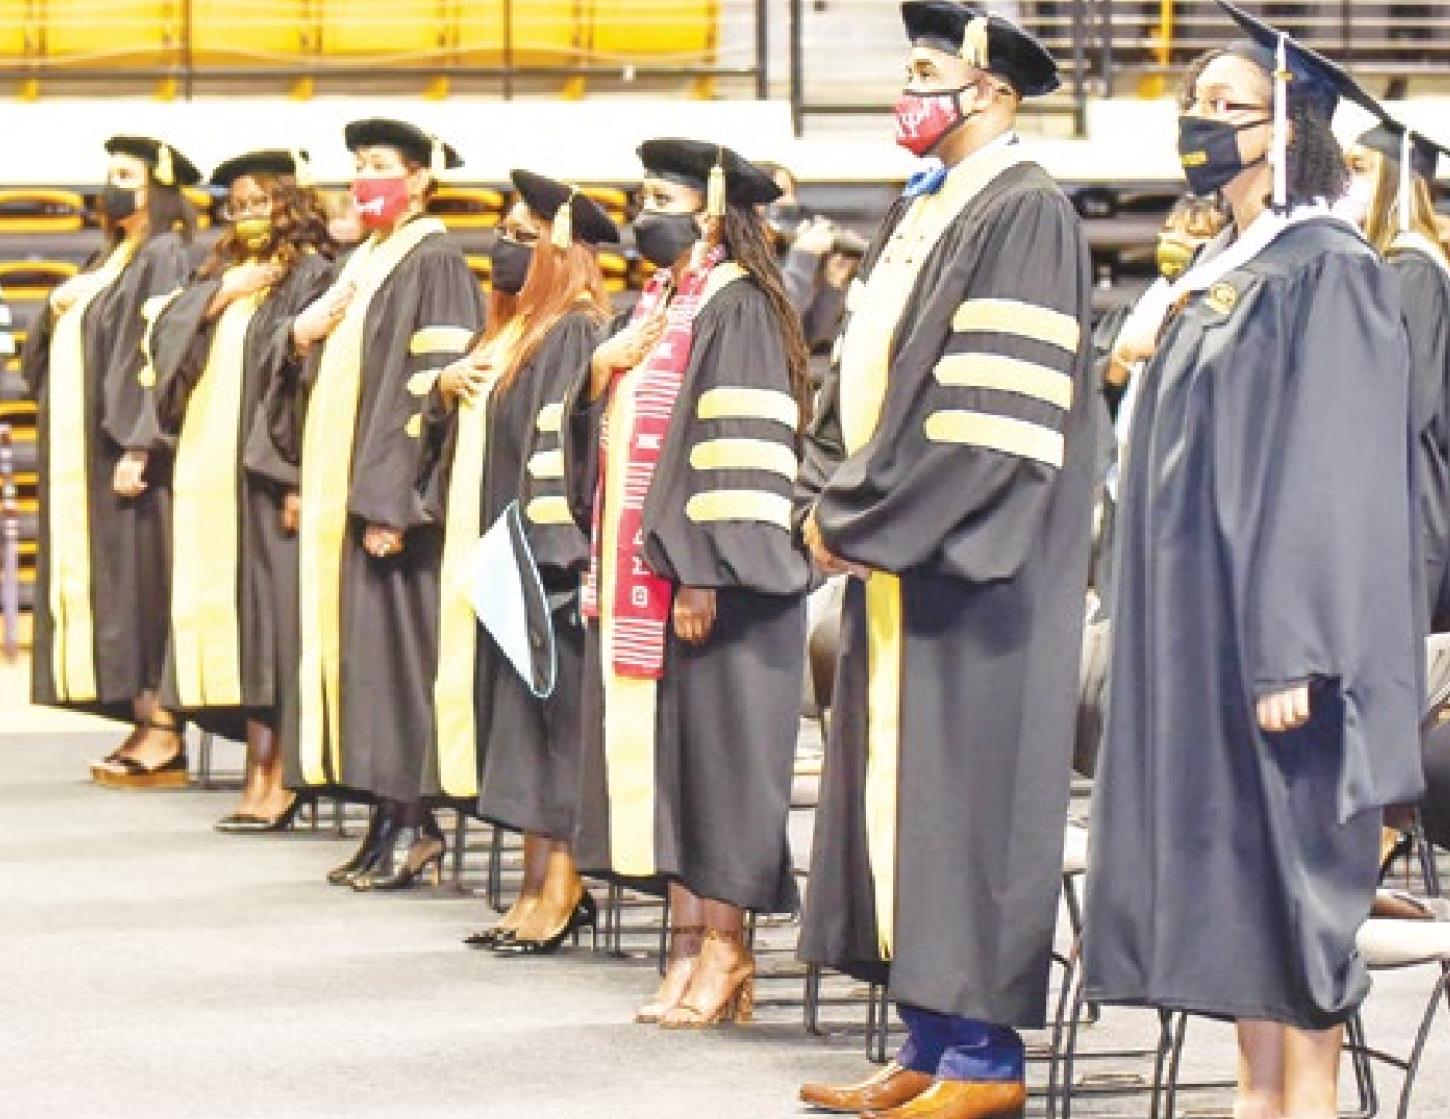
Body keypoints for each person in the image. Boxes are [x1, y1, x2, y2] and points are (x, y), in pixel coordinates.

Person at [1084, 6, 1425, 1119]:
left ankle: (1304, 1108)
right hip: (1205, 638)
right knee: (1234, 898)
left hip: (1282, 656)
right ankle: (1254, 1101)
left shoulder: (1326, 271)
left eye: (1225, 108)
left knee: (1289, 897)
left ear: (1287, 130)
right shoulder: (1228, 271)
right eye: (1193, 106)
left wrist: (1293, 647)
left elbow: (1328, 472)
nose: (1199, 126)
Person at [794, 5, 1096, 1116]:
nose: (903, 93)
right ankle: (925, 1043)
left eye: (926, 73)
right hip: (900, 560)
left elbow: (991, 421)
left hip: (973, 569)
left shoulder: (1024, 214)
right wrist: (821, 500)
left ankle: (985, 1065)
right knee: (897, 805)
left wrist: (861, 518)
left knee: (964, 805)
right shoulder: (923, 210)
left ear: (994, 93)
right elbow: (854, 386)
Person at [564, 138, 812, 1027]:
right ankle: (683, 941)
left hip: (718, 585)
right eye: (641, 194)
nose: (644, 212)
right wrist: (599, 370)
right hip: (656, 576)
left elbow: (740, 448)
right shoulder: (663, 305)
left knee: (720, 770)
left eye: (663, 195)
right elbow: (616, 438)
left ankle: (727, 947)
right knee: (676, 769)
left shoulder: (738, 304)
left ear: (712, 212)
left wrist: (702, 571)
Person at [285, 118, 484, 889]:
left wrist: (395, 502)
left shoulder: (432, 261)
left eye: (379, 165)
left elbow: (429, 384)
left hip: (394, 507)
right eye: (358, 165)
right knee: (370, 665)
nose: (364, 178)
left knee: (400, 667)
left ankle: (416, 821)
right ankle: (386, 815)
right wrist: (302, 337)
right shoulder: (363, 261)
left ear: (422, 179)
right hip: (350, 497)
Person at [429, 171, 616, 952]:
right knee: (520, 721)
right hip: (500, 555)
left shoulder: (571, 329)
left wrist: (552, 556)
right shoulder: (510, 331)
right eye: (501, 232)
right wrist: (442, 385)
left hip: (543, 558)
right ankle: (533, 881)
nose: (501, 248)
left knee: (554, 725)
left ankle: (563, 887)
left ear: (559, 251)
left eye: (519, 236)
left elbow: (562, 453)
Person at [134, 149, 335, 830]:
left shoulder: (313, 276)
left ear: (290, 203)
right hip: (213, 482)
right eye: (238, 206)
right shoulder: (224, 274)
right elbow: (164, 341)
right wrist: (224, 291)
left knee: (273, 625)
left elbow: (311, 388)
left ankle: (279, 772)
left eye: (260, 203)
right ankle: (257, 766)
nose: (249, 215)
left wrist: (298, 478)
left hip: (268, 473)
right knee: (244, 627)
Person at [23, 136, 199, 787]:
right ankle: (141, 713)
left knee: (143, 587)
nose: (112, 183)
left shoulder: (165, 253)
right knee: (119, 589)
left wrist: (142, 441)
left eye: (125, 173)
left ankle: (164, 727)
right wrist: (55, 308)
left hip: (131, 455)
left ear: (158, 184)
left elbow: (155, 355)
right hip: (91, 458)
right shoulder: (113, 255)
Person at [1340, 121, 1450, 632]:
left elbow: (1411, 400)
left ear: (1399, 184)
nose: (1346, 183)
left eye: (1360, 169)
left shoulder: (1414, 270)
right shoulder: (1396, 266)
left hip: (1413, 494)